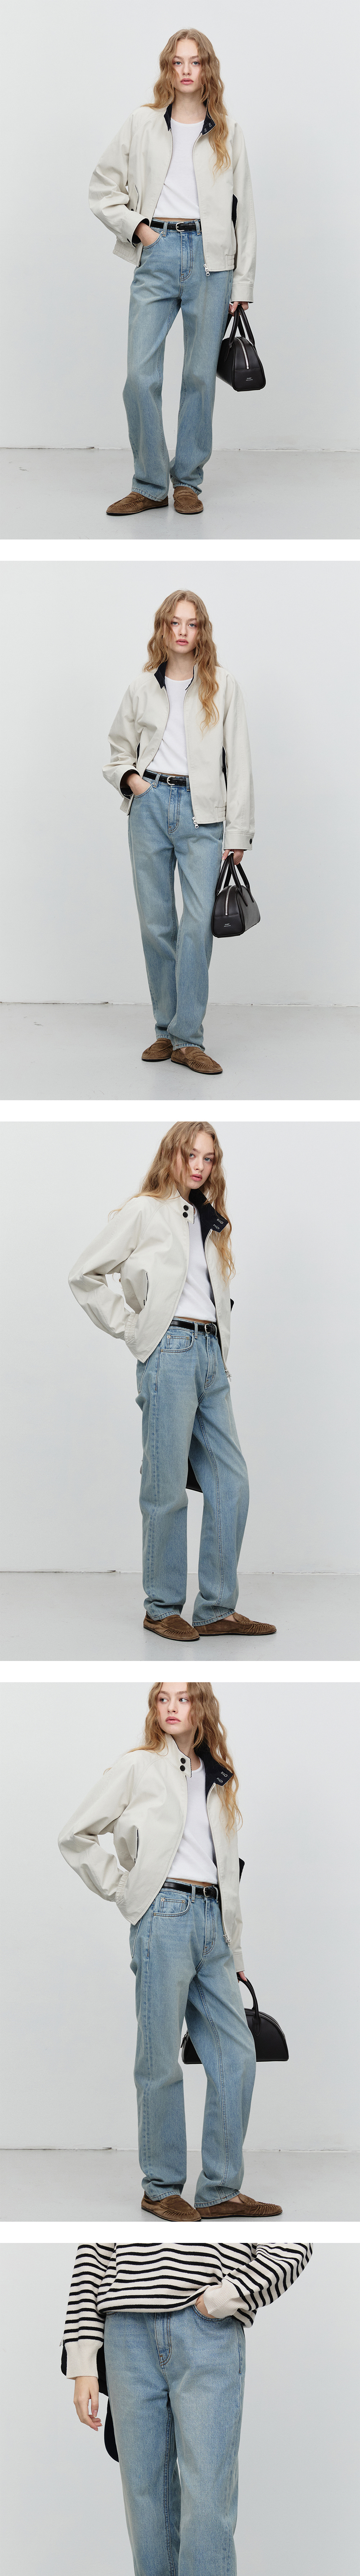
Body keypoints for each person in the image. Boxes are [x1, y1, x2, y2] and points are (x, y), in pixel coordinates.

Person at [62, 2237, 312, 2576]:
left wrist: (232, 2293)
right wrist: (84, 2355)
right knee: (148, 2512)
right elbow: (94, 2252)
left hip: (207, 2328)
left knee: (207, 2515)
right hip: (125, 2330)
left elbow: (296, 2243)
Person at [58, 1678, 282, 2220]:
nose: (172, 1707)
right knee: (160, 2059)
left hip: (214, 1926)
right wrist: (128, 1891)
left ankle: (220, 2190)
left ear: (201, 1707)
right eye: (163, 1698)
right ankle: (161, 2188)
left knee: (236, 2056)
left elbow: (226, 1871)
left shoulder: (219, 1777)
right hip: (164, 1916)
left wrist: (236, 1950)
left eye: (183, 1698)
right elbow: (76, 1835)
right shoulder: (139, 1767)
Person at [68, 1118, 276, 1644]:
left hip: (211, 1356)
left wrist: (219, 1349)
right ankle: (162, 1607)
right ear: (173, 1155)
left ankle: (215, 1609)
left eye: (209, 1158)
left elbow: (210, 1294)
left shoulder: (210, 1218)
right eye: (192, 1155)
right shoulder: (145, 1211)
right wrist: (134, 1329)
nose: (200, 1166)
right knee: (165, 1487)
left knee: (231, 1482)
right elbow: (84, 1274)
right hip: (171, 1352)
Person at [89, 27, 256, 517]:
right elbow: (102, 188)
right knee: (140, 377)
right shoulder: (142, 123)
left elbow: (244, 213)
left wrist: (243, 282)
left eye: (195, 62)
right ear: (169, 68)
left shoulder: (227, 130)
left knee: (200, 377)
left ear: (207, 69)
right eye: (178, 62)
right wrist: (140, 230)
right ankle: (149, 484)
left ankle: (187, 482)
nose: (186, 70)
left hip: (212, 259)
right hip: (158, 250)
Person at [105, 586, 255, 1075]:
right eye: (175, 623)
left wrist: (238, 833)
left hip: (202, 813)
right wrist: (133, 782)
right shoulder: (141, 687)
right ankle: (165, 1033)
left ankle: (189, 1039)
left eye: (192, 623)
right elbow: (119, 749)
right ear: (163, 629)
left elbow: (240, 762)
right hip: (150, 807)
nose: (183, 632)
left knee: (195, 926)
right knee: (156, 924)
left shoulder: (223, 686)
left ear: (202, 630)